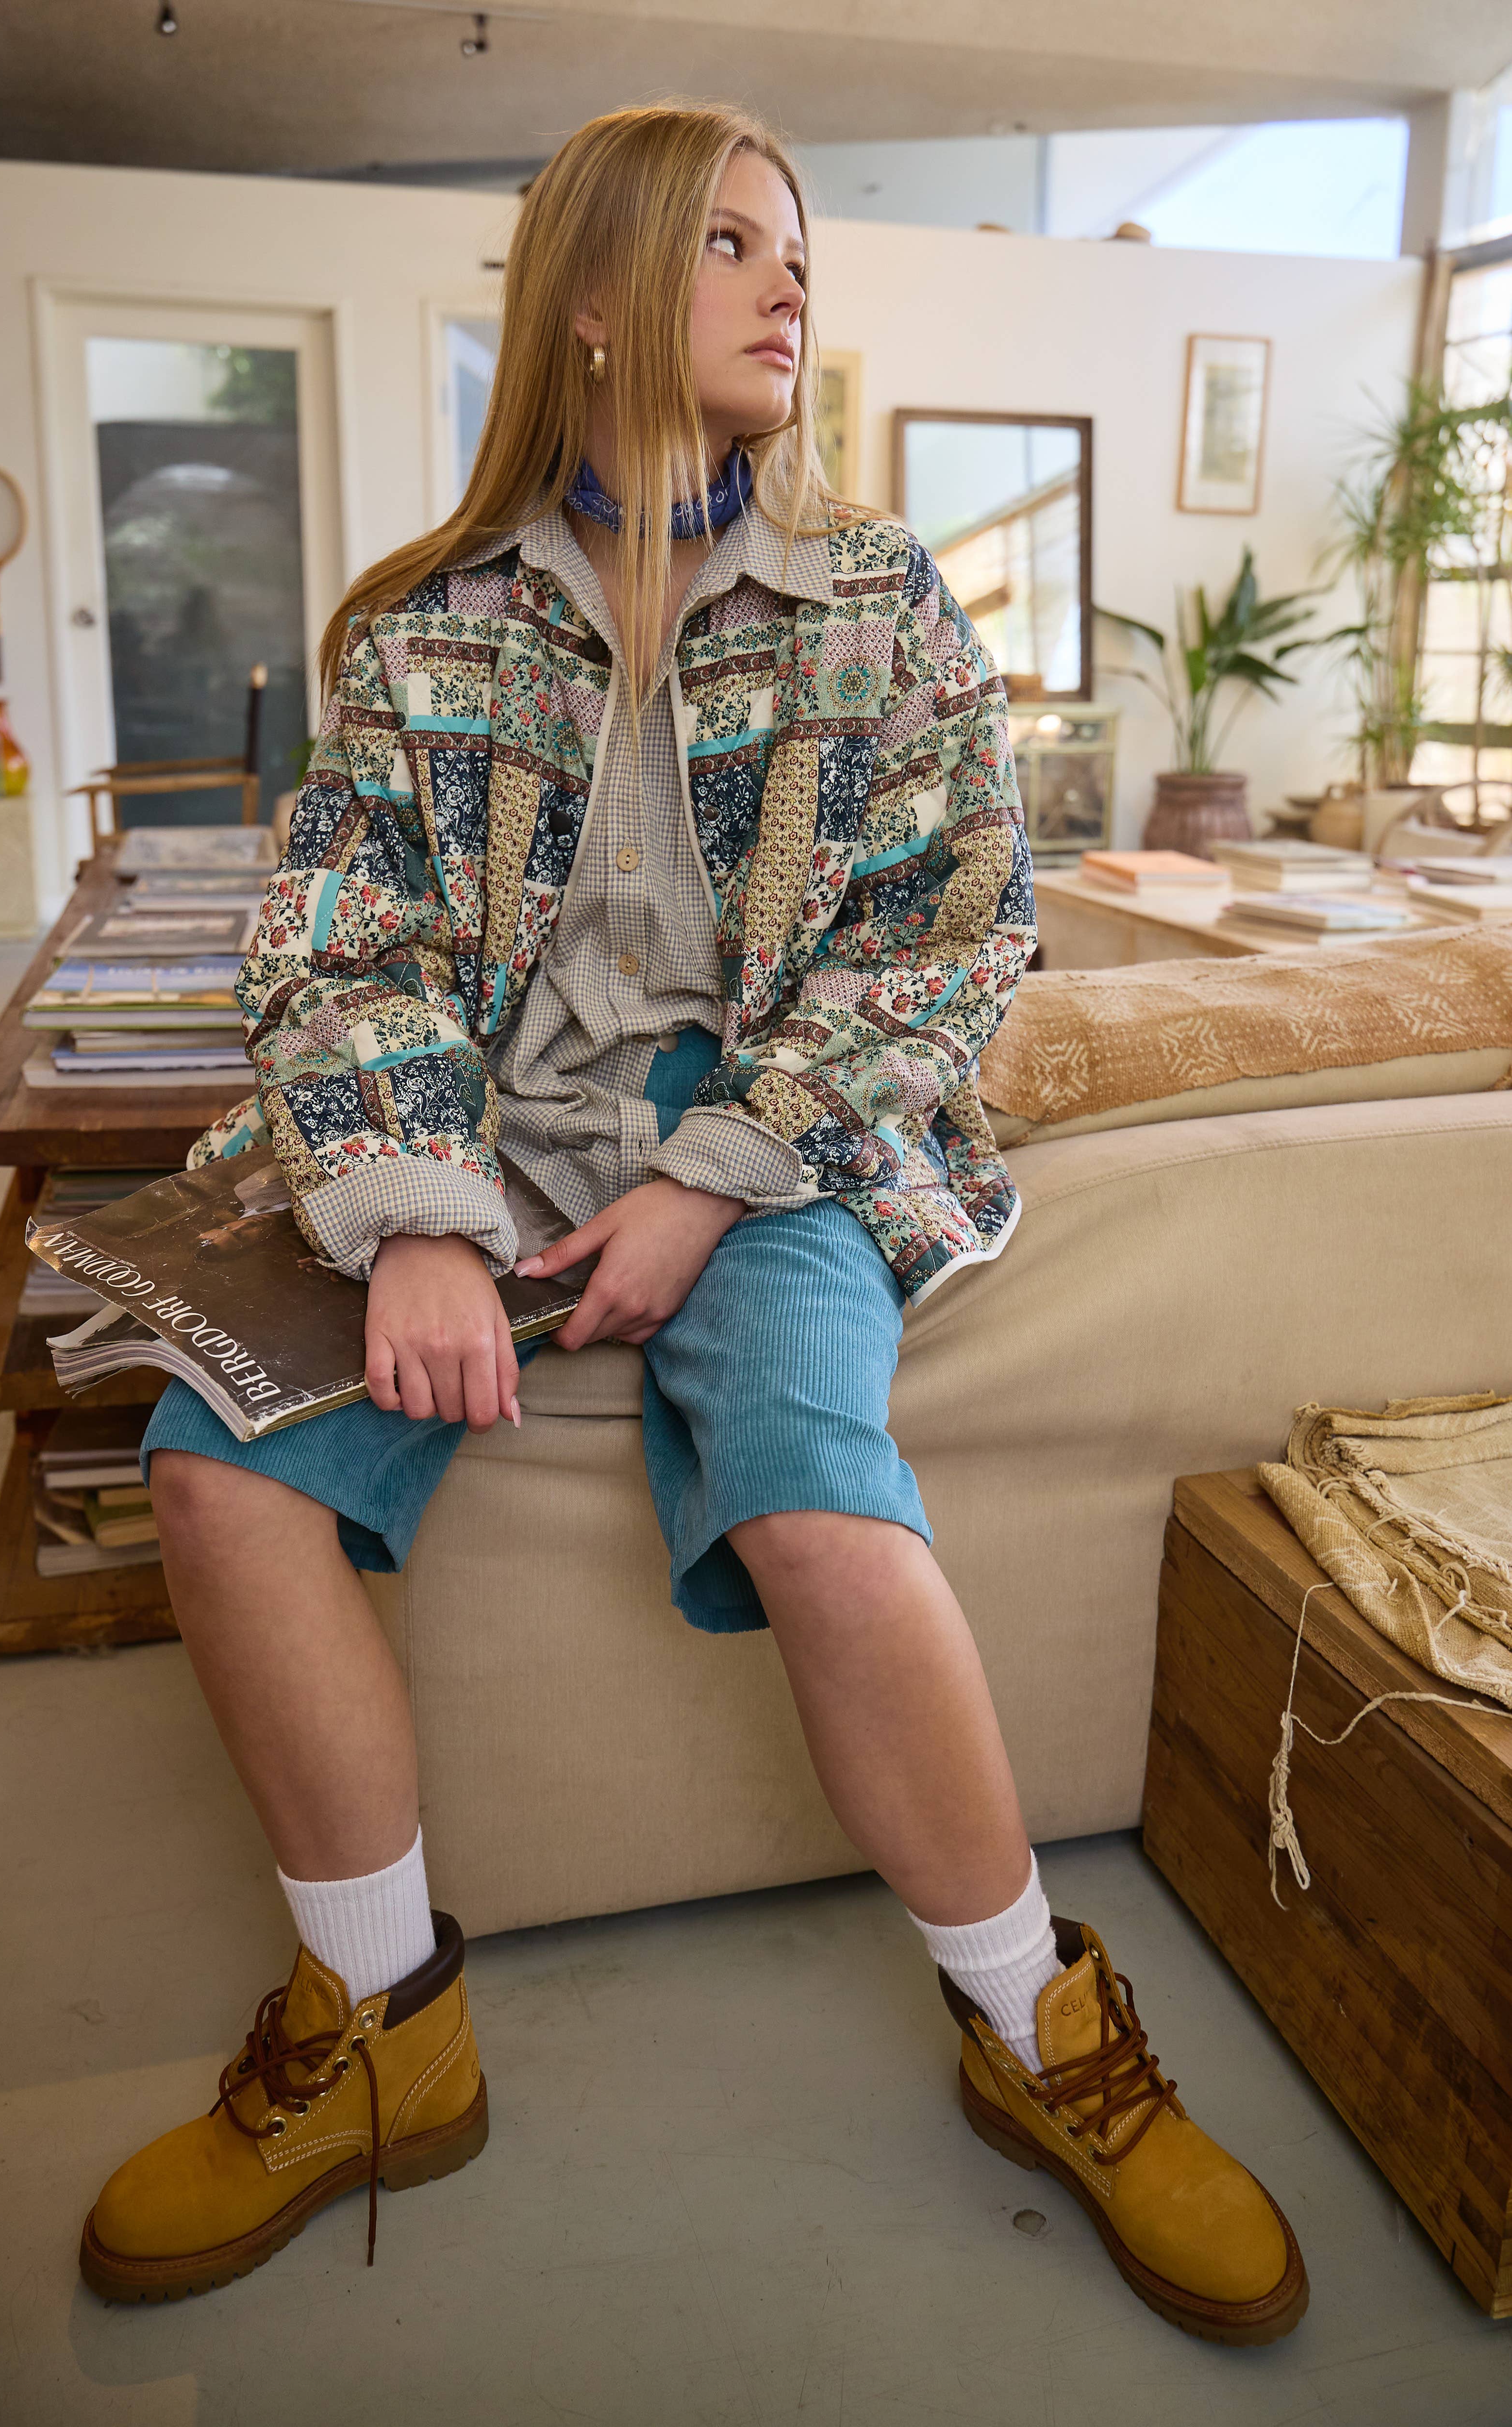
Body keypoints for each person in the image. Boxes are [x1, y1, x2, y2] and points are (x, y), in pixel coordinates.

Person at [78, 102, 1306, 2344]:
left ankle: (1035, 2019)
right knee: (209, 1464)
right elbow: (336, 943)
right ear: (597, 297)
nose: (788, 280)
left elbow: (951, 937)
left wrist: (708, 1178)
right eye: (733, 241)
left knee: (825, 1500)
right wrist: (417, 1214)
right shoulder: (426, 625)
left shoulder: (883, 604)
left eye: (797, 248)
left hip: (771, 1139)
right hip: (459, 1124)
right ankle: (384, 2026)